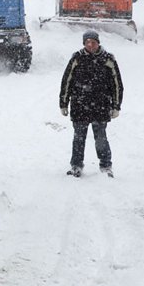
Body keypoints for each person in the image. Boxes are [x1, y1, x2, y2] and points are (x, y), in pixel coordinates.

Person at [59, 30, 123, 178]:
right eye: (87, 42)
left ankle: (106, 166)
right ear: (84, 44)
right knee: (78, 138)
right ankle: (76, 165)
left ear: (98, 43)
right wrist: (63, 103)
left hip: (101, 107)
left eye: (93, 42)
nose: (90, 45)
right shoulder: (77, 59)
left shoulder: (108, 59)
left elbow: (117, 84)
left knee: (101, 138)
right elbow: (66, 81)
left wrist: (116, 106)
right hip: (79, 106)